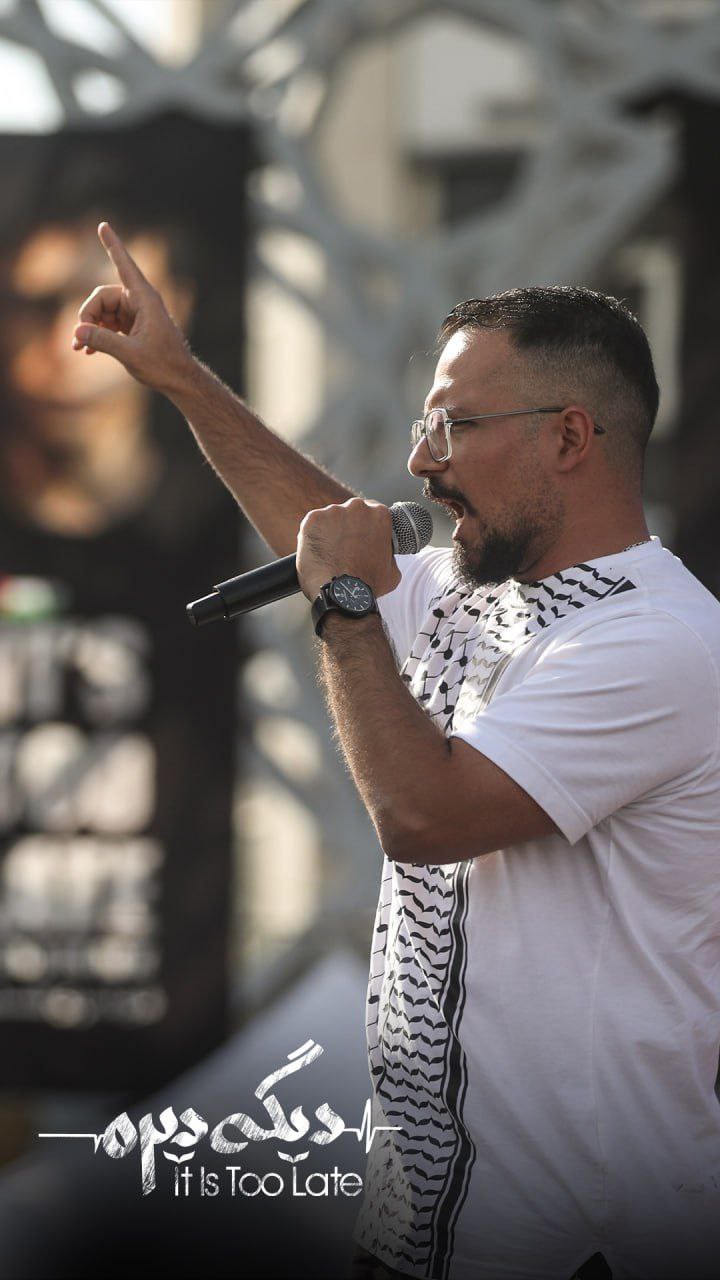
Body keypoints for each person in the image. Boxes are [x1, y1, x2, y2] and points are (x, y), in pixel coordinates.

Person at [72, 224, 720, 1280]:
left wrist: (342, 599)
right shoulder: (489, 594)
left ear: (569, 436)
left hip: (574, 1243)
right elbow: (324, 533)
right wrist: (182, 377)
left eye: (454, 426)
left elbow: (425, 815)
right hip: (421, 1225)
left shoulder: (653, 642)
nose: (421, 460)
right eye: (425, 426)